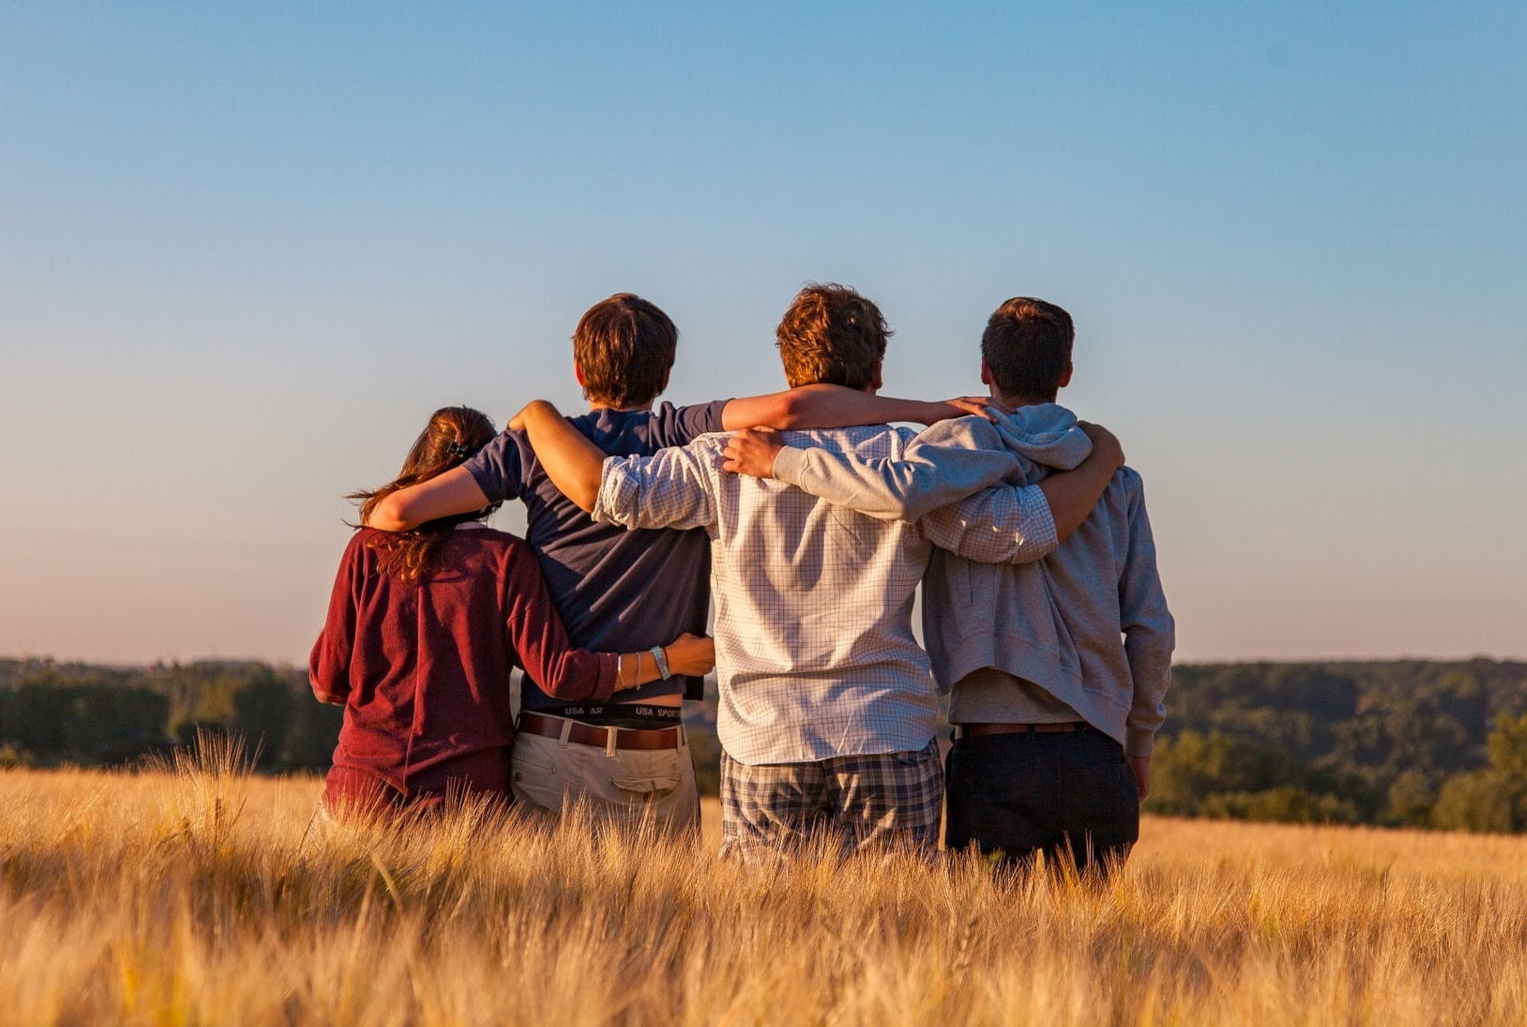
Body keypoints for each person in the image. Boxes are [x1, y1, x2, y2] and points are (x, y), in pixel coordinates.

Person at [508, 285, 1124, 859]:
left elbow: (612, 493)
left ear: (787, 372)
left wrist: (538, 416)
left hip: (765, 739)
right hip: (886, 728)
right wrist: (1101, 461)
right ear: (877, 373)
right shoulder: (914, 461)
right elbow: (1016, 533)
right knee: (896, 941)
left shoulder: (720, 459)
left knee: (766, 946)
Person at [361, 292, 991, 832]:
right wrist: (927, 411)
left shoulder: (534, 447)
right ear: (665, 373)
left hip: (556, 739)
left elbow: (393, 516)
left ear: (578, 370)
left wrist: (530, 425)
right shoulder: (682, 433)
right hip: (658, 747)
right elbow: (795, 410)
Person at [724, 297, 1174, 871]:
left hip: (994, 752)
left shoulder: (947, 461)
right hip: (1098, 751)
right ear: (1065, 374)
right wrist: (1139, 740)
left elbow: (893, 491)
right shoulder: (1115, 480)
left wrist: (784, 461)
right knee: (1088, 953)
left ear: (985, 370)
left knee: (989, 948)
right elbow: (1152, 628)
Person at [309, 406, 714, 821]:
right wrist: (669, 660)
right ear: (490, 478)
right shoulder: (506, 560)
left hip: (361, 793)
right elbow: (560, 675)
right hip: (466, 803)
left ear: (420, 461)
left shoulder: (367, 550)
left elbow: (328, 682)